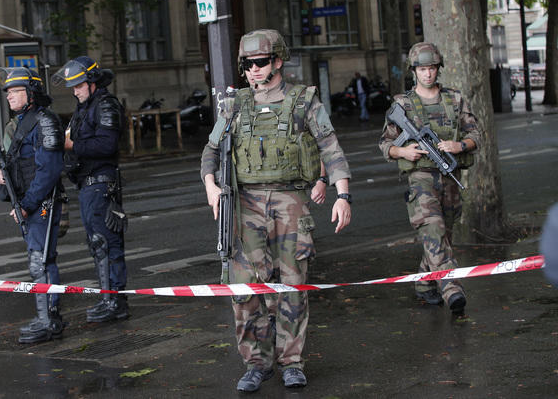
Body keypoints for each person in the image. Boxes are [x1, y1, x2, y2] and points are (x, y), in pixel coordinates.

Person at [200, 29, 352, 392]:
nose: (252, 70)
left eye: (260, 62)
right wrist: (211, 187)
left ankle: (292, 361)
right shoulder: (234, 106)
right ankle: (256, 362)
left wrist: (343, 195)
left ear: (278, 61)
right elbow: (210, 152)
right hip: (243, 206)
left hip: (290, 203)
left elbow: (331, 148)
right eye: (247, 65)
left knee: (292, 286)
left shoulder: (303, 102)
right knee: (243, 288)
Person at [379, 42, 480, 315]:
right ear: (414, 71)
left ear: (438, 69)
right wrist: (402, 150)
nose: (428, 74)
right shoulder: (403, 104)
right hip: (420, 179)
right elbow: (385, 144)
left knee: (442, 235)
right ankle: (451, 289)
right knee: (433, 231)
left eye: (432, 68)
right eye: (422, 69)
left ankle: (425, 284)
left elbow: (475, 135)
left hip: (449, 176)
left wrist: (459, 146)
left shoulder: (455, 99)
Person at [52, 57, 129, 323]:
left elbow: (107, 145)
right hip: (87, 185)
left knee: (106, 243)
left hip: (101, 184)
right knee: (98, 245)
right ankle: (109, 298)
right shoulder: (85, 108)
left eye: (79, 85)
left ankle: (116, 301)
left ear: (93, 83)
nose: (75, 90)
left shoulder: (105, 105)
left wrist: (72, 146)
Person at [0, 67, 66, 344]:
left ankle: (49, 319)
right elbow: (16, 164)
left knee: (42, 260)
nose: (9, 97)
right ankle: (46, 316)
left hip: (42, 202)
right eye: (8, 92)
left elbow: (48, 170)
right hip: (30, 202)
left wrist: (27, 204)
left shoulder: (45, 122)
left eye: (15, 91)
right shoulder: (24, 121)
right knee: (38, 259)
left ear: (31, 93)